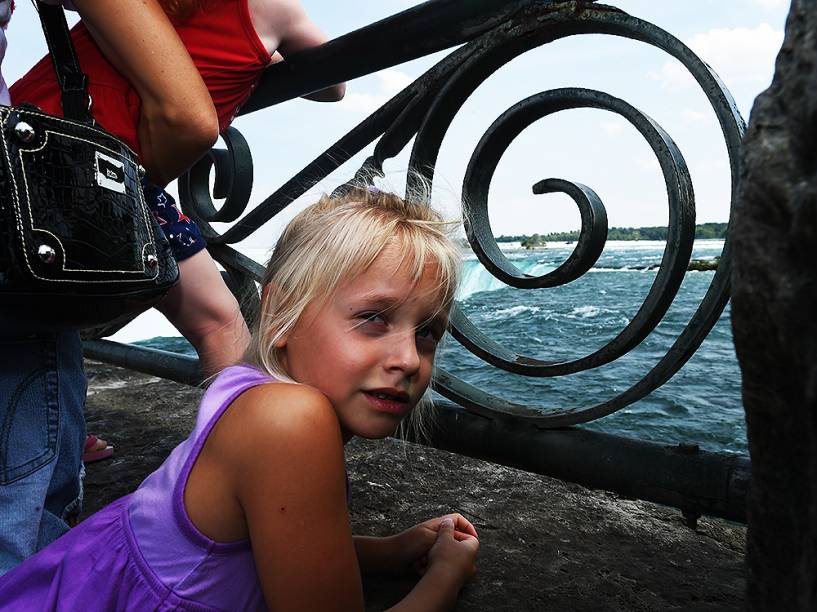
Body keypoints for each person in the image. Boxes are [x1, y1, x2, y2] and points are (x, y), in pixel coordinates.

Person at [0, 188, 480, 610]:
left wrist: (389, 550)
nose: (409, 359)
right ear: (281, 310)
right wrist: (445, 577)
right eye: (374, 317)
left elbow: (262, 548)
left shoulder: (247, 388)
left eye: (427, 333)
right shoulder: (290, 419)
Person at [0, 0, 219, 577]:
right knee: (19, 540)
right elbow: (189, 118)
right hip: (31, 223)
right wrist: (104, 219)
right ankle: (236, 481)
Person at [11, 0, 345, 376]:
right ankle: (241, 431)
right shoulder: (274, 9)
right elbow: (334, 84)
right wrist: (261, 59)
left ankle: (54, 421)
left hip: (24, 141)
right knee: (220, 324)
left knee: (39, 294)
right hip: (104, 173)